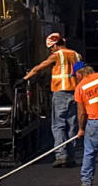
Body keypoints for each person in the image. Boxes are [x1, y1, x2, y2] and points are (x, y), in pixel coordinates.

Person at [22, 33, 82, 167]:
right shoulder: (77, 55)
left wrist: (24, 79)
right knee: (72, 125)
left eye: (51, 47)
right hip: (75, 93)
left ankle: (61, 156)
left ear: (55, 44)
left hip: (60, 93)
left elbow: (39, 68)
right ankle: (71, 156)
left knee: (58, 125)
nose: (50, 50)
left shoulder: (57, 56)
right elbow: (80, 74)